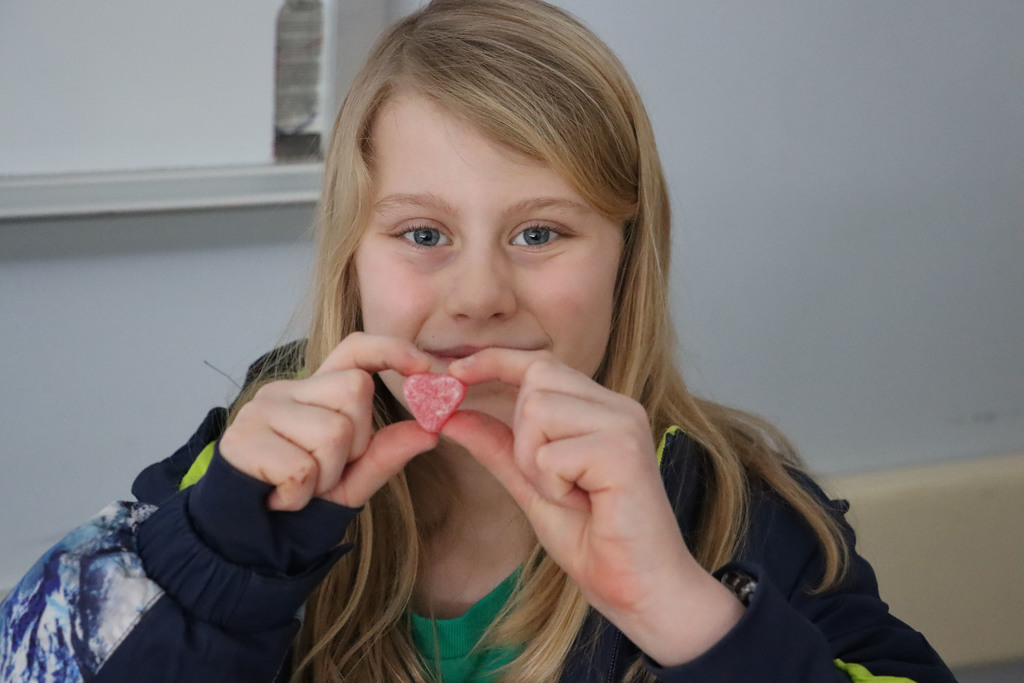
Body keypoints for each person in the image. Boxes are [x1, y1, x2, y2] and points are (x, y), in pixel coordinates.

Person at [0, 1, 957, 681]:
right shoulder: (241, 473)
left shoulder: (743, 513)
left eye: (540, 234)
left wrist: (689, 617)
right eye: (423, 235)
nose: (480, 295)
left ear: (630, 259)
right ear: (353, 261)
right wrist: (225, 558)